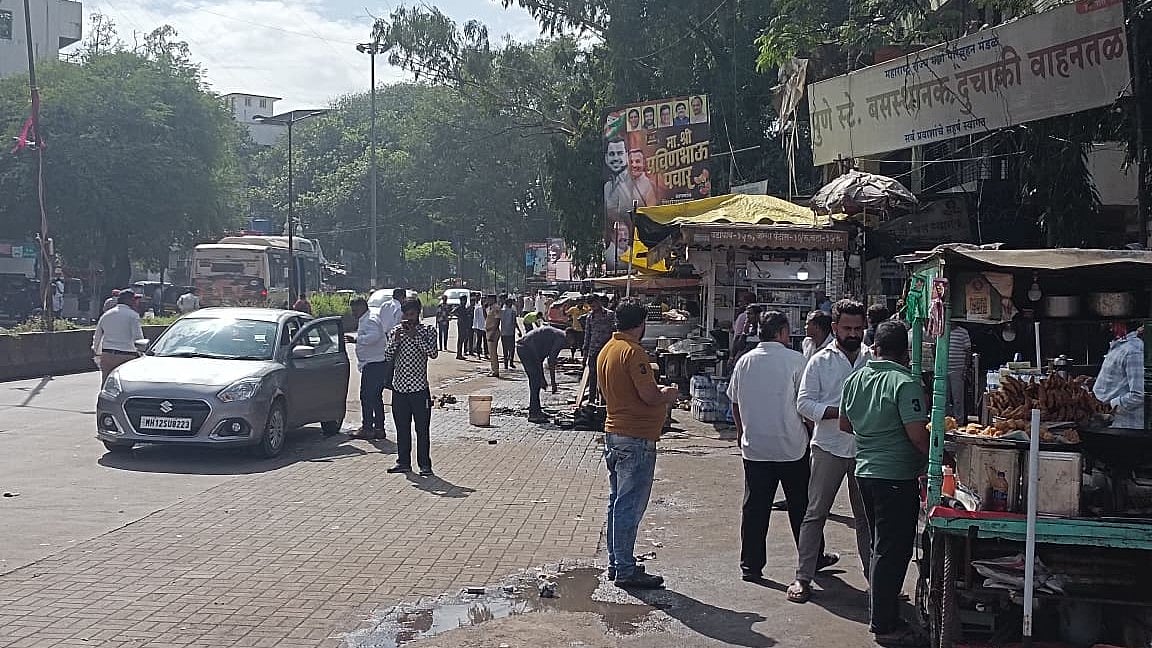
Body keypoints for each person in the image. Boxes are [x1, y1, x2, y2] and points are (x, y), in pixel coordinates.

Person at [840, 321, 929, 646]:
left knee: (881, 547)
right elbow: (919, 438)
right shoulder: (905, 383)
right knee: (892, 551)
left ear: (874, 347)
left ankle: (884, 613)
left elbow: (845, 424)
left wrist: (874, 433)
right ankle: (884, 623)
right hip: (895, 475)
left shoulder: (856, 378)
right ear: (905, 352)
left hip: (864, 471)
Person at [787, 300, 872, 604]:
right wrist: (841, 412)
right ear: (835, 328)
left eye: (858, 328)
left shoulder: (871, 359)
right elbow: (804, 404)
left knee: (866, 519)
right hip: (828, 447)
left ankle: (876, 584)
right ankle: (802, 577)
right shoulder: (820, 361)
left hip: (863, 449)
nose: (853, 333)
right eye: (847, 328)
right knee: (815, 513)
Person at [726, 311, 812, 583]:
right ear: (783, 332)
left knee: (755, 508)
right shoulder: (797, 361)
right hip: (791, 445)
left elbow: (735, 402)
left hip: (756, 447)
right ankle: (811, 557)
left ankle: (750, 565)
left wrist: (741, 434)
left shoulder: (745, 361)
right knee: (802, 506)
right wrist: (811, 434)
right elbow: (805, 405)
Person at [599, 302, 680, 589]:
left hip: (616, 434)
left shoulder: (609, 349)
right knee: (629, 505)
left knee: (618, 502)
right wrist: (668, 393)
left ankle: (617, 561)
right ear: (641, 323)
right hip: (634, 438)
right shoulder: (633, 353)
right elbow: (648, 395)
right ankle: (624, 567)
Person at [383, 298, 438, 477]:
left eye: (412, 314)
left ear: (418, 314)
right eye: (406, 315)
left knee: (422, 429)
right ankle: (403, 462)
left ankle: (424, 464)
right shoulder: (396, 331)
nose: (408, 318)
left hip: (419, 389)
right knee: (402, 427)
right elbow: (387, 355)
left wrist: (415, 335)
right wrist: (396, 340)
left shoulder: (428, 330)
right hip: (399, 389)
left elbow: (433, 353)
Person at [348, 298, 389, 439]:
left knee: (367, 396)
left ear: (363, 307)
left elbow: (374, 336)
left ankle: (368, 428)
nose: (353, 313)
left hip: (374, 364)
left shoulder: (370, 319)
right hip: (373, 363)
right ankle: (378, 428)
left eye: (355, 310)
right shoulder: (366, 318)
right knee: (375, 397)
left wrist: (356, 340)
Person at [1093, 325, 1145, 429]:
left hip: (1124, 427)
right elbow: (1121, 380)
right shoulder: (1119, 346)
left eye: (1113, 322)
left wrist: (1108, 406)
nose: (1109, 326)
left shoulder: (1133, 351)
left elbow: (1138, 395)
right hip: (1107, 424)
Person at [517, 324, 568, 423]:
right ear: (570, 337)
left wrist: (543, 378)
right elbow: (551, 361)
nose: (570, 346)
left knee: (536, 381)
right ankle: (534, 414)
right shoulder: (561, 338)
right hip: (526, 348)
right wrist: (553, 383)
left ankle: (537, 410)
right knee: (535, 382)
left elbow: (540, 360)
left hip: (530, 350)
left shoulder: (557, 335)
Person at [92, 290, 145, 383]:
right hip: (127, 356)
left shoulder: (106, 315)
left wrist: (97, 352)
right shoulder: (133, 316)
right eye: (134, 299)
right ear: (128, 300)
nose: (136, 302)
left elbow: (97, 336)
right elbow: (138, 338)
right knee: (125, 384)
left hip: (107, 355)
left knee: (106, 384)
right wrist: (142, 353)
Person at [582, 294, 616, 403]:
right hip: (593, 351)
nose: (593, 306)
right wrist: (585, 354)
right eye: (591, 304)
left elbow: (615, 331)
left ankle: (606, 400)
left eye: (594, 303)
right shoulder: (589, 317)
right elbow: (587, 335)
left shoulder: (610, 315)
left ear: (599, 302)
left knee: (607, 376)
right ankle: (592, 400)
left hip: (607, 350)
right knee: (593, 376)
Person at [947, 324, 972, 424]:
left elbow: (968, 352)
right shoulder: (942, 330)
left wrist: (965, 369)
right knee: (944, 399)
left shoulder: (963, 332)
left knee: (958, 399)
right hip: (944, 370)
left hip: (958, 370)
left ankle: (959, 422)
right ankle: (946, 422)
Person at [499, 298, 521, 371]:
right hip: (510, 332)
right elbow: (514, 322)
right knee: (511, 348)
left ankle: (506, 364)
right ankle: (511, 362)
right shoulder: (512, 312)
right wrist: (519, 330)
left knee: (505, 348)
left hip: (503, 332)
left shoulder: (501, 311)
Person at [455, 296, 473, 360]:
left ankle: (459, 353)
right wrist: (459, 317)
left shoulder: (464, 307)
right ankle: (458, 354)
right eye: (463, 300)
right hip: (461, 324)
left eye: (465, 300)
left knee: (462, 339)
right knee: (460, 339)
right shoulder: (460, 307)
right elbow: (452, 312)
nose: (464, 302)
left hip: (464, 325)